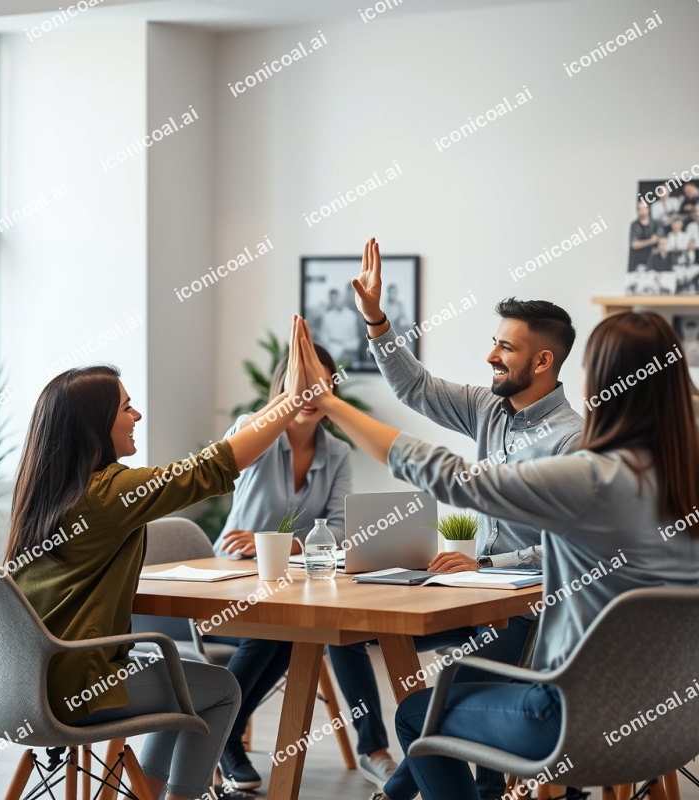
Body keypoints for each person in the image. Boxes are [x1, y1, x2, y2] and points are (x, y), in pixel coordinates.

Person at [299, 310, 699, 800]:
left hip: (569, 723)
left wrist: (330, 404)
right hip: (670, 728)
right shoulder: (683, 484)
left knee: (417, 715)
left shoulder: (590, 476)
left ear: (603, 384)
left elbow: (452, 479)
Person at [6, 318, 311, 800]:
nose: (138, 416)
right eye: (127, 407)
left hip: (19, 685)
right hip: (76, 685)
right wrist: (292, 398)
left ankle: (146, 793)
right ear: (94, 426)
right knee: (223, 689)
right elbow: (215, 466)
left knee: (185, 685)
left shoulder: (43, 493)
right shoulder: (109, 493)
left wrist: (291, 395)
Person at [325, 240, 584, 799]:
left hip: (528, 610)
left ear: (543, 361)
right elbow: (414, 386)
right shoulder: (490, 408)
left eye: (505, 348)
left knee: (430, 712)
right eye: (494, 342)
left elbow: (561, 551)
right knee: (345, 635)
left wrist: (483, 562)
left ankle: (401, 792)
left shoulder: (572, 440)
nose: (491, 356)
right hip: (473, 593)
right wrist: (376, 320)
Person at [213, 344, 353, 790]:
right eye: (302, 384)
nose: (312, 393)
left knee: (292, 632)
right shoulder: (253, 433)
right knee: (272, 628)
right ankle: (222, 733)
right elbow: (238, 446)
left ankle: (220, 732)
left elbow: (339, 531)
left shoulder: (339, 455)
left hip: (291, 588)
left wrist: (276, 541)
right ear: (285, 389)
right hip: (229, 583)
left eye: (323, 383)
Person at [317, 287, 360, 362]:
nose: (338, 301)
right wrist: (329, 346)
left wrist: (349, 347)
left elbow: (354, 336)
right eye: (334, 300)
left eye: (339, 298)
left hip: (347, 347)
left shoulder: (352, 315)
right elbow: (323, 334)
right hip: (331, 347)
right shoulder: (327, 316)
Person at [629, 199, 659, 270]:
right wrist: (650, 241)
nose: (641, 212)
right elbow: (634, 244)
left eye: (642, 209)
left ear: (647, 209)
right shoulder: (635, 225)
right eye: (639, 209)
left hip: (653, 261)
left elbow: (659, 239)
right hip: (638, 261)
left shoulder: (655, 224)